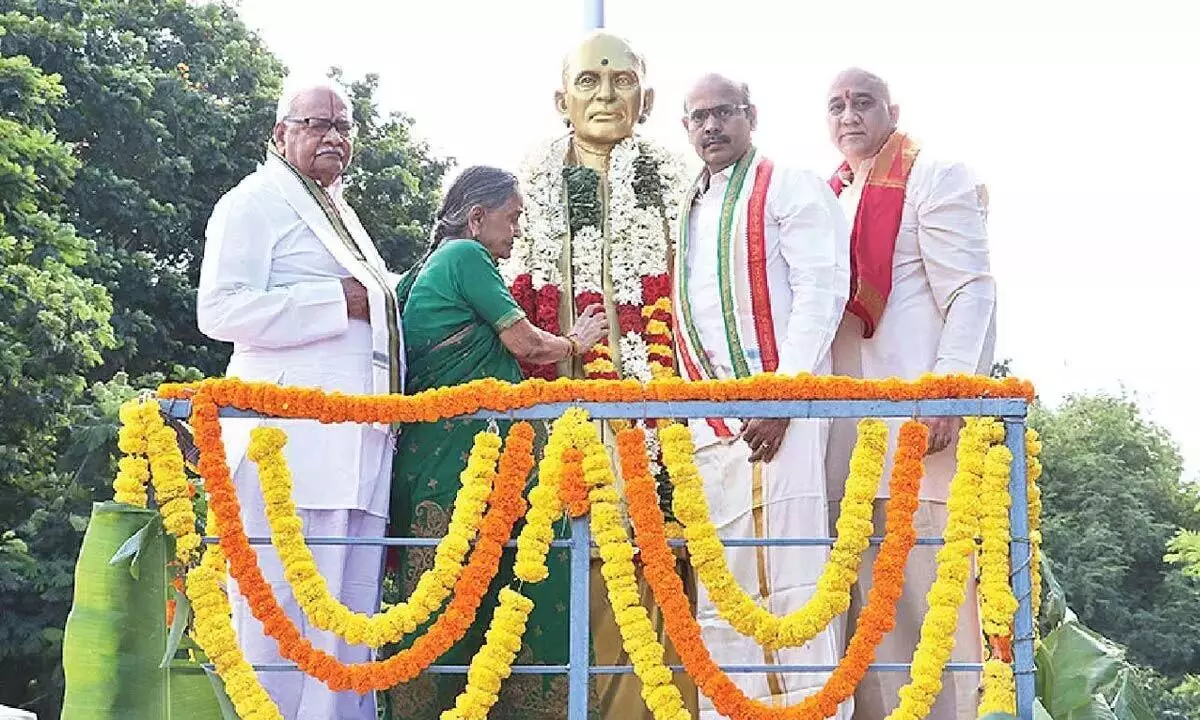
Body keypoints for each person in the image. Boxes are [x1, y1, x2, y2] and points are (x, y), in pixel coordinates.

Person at [498, 30, 698, 718]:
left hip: (663, 410)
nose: (605, 96)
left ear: (648, 98)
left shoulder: (679, 177)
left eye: (621, 81)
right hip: (562, 411)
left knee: (664, 558)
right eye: (588, 82)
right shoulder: (531, 180)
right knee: (566, 554)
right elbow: (514, 292)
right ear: (561, 99)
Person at [196, 75, 401, 720]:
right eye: (317, 124)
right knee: (278, 609)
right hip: (286, 444)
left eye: (344, 126)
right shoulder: (252, 202)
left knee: (349, 610)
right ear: (279, 134)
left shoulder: (340, 211)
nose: (333, 136)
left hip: (355, 444)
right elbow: (219, 310)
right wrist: (335, 300)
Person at [386, 166, 608, 719]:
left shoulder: (421, 269)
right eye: (512, 219)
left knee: (446, 590)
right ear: (477, 217)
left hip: (436, 458)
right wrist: (574, 343)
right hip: (469, 459)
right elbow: (526, 344)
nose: (515, 232)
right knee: (509, 578)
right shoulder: (465, 257)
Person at [673, 73, 852, 719]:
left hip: (784, 419)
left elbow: (821, 290)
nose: (711, 127)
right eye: (697, 117)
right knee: (723, 595)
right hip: (711, 431)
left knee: (794, 584)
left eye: (724, 113)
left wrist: (784, 395)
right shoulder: (689, 203)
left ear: (751, 115)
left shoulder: (788, 185)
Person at [822, 67, 997, 720]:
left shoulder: (934, 174)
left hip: (923, 443)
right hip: (849, 450)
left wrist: (950, 389)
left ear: (891, 110)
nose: (848, 115)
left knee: (938, 630)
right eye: (836, 105)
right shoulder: (829, 197)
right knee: (868, 639)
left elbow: (971, 290)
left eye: (862, 102)